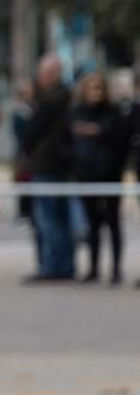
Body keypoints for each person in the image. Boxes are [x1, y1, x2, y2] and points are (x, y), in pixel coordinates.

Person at [19, 54, 75, 283]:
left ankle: (53, 266)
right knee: (61, 217)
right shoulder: (67, 98)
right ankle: (64, 264)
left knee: (48, 218)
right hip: (60, 164)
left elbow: (31, 131)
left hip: (47, 164)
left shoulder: (51, 100)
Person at [68, 70, 126, 284]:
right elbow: (69, 138)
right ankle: (93, 268)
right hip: (86, 174)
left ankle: (116, 269)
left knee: (112, 222)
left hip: (109, 174)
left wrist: (98, 131)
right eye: (91, 87)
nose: (95, 92)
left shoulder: (113, 112)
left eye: (99, 87)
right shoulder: (77, 112)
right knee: (91, 223)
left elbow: (120, 139)